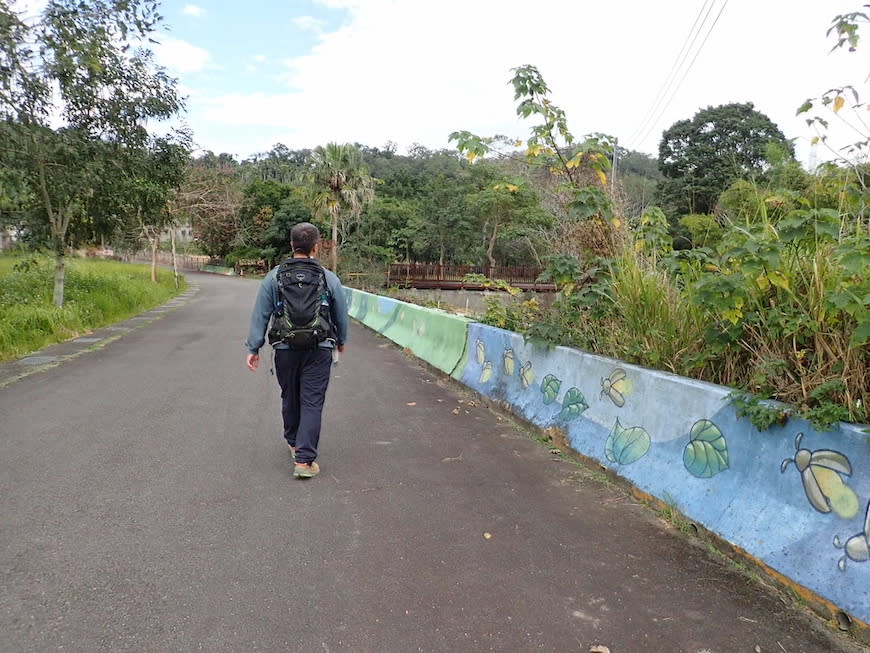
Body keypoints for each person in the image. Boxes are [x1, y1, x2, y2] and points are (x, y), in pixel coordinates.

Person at [245, 222, 348, 479]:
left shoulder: (274, 276)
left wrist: (253, 347)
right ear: (316, 247)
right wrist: (341, 340)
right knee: (312, 400)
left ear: (291, 245)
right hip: (319, 347)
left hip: (285, 348)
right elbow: (341, 314)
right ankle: (304, 460)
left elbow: (261, 313)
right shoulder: (327, 277)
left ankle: (293, 443)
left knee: (289, 396)